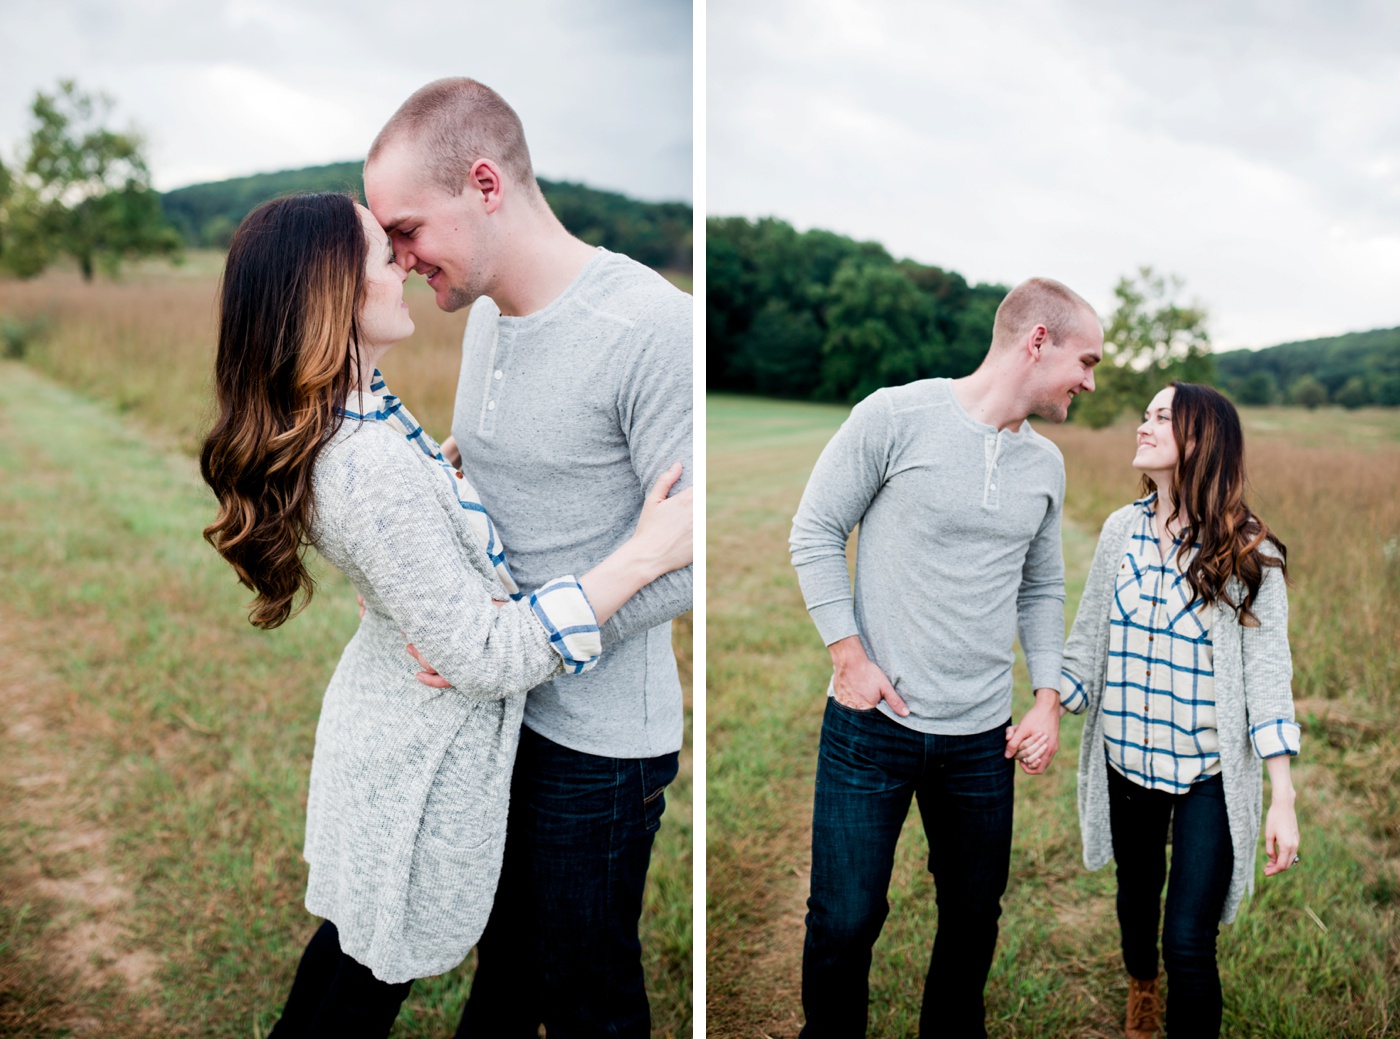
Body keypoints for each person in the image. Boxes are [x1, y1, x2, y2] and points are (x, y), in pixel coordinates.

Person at [198, 192, 692, 1038]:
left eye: (401, 238)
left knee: (360, 953)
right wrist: (649, 550)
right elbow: (485, 649)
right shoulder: (364, 465)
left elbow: (411, 497)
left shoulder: (354, 418)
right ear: (331, 294)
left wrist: (444, 496)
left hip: (396, 726)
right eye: (379, 252)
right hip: (417, 754)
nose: (402, 263)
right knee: (365, 973)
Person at [361, 78, 693, 1038]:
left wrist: (513, 640)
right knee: (503, 970)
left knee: (589, 995)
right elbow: (495, 501)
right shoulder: (487, 318)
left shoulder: (653, 328)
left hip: (595, 748)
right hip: (490, 713)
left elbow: (680, 554)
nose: (398, 258)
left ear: (484, 184)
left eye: (409, 229)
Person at [788, 277, 1103, 1038]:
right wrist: (850, 656)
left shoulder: (1047, 466)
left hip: (980, 742)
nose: (1089, 382)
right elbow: (814, 531)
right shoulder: (895, 416)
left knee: (971, 918)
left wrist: (1047, 697)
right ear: (1037, 342)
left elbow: (1041, 584)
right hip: (872, 729)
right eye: (1086, 361)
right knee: (845, 918)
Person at [1035, 382, 1300, 1039]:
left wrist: (1283, 794)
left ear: (1199, 440)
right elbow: (1086, 647)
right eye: (1145, 414)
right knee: (1135, 899)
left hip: (1207, 774)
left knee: (1189, 939)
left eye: (1160, 417)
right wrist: (1047, 710)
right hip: (1126, 763)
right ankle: (1141, 983)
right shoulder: (1119, 532)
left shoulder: (1250, 554)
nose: (1141, 426)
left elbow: (1268, 679)